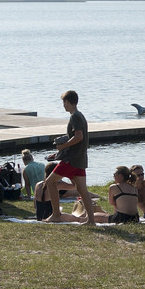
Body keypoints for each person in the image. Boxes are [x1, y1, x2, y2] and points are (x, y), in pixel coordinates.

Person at [44, 90, 95, 225]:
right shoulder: (81, 116)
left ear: (67, 102)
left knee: (49, 182)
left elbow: (79, 137)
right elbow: (77, 140)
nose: (63, 105)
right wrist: (59, 153)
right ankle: (91, 220)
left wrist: (63, 146)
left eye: (64, 102)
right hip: (79, 159)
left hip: (71, 160)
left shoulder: (75, 117)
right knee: (82, 190)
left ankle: (56, 214)